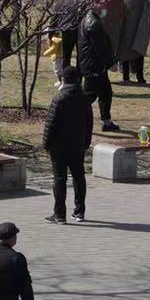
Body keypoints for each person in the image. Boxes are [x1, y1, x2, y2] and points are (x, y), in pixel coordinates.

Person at [42, 64, 92, 224]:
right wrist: (86, 142)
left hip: (59, 146)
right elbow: (89, 123)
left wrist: (46, 144)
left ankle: (59, 214)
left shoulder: (59, 98)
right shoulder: (85, 99)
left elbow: (50, 123)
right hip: (77, 145)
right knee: (79, 177)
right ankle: (79, 212)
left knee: (59, 179)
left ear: (63, 79)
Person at [78, 5, 119, 133]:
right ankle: (74, 120)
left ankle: (106, 121)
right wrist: (110, 63)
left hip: (93, 64)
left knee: (105, 93)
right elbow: (100, 47)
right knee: (89, 96)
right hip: (93, 66)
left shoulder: (89, 19)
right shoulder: (93, 23)